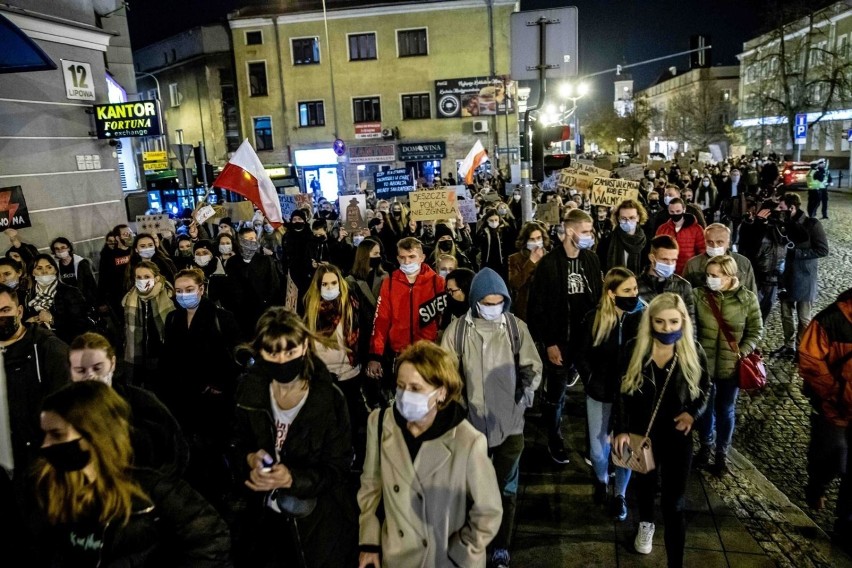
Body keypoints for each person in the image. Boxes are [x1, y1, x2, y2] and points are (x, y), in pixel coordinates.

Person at [31, 380, 232, 567]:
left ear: (95, 433)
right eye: (45, 434)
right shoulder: (50, 488)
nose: (46, 445)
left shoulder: (155, 490)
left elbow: (212, 541)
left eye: (57, 434)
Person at [357, 341, 503, 568]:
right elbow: (371, 488)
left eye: (416, 388)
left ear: (441, 393)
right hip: (396, 555)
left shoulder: (468, 441)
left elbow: (488, 510)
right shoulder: (379, 424)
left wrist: (461, 551)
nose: (405, 395)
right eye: (400, 386)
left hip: (444, 560)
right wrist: (369, 543)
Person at [230, 307, 358, 567]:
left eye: (290, 352)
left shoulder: (329, 398)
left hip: (315, 527)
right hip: (263, 523)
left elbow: (339, 468)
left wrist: (293, 479)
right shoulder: (249, 392)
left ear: (305, 346)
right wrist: (250, 459)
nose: (281, 361)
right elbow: (235, 443)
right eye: (272, 353)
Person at [440, 268, 542, 567]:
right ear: (475, 301)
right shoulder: (457, 332)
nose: (493, 306)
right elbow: (446, 377)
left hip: (510, 427)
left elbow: (532, 369)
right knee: (473, 488)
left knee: (505, 489)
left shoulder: (515, 328)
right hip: (470, 428)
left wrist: (521, 402)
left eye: (499, 301)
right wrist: (458, 412)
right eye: (488, 301)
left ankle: (501, 544)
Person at [613, 293, 710, 566]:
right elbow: (620, 391)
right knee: (645, 486)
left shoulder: (693, 350)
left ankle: (675, 561)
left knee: (674, 502)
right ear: (650, 322)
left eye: (673, 322)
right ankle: (645, 523)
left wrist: (693, 413)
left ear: (683, 322)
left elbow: (705, 388)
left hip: (678, 437)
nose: (667, 328)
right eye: (660, 322)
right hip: (643, 433)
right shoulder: (634, 349)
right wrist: (620, 428)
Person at [157, 268, 241, 508]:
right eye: (179, 291)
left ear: (201, 290)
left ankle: (224, 491)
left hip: (214, 398)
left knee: (216, 447)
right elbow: (169, 359)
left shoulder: (221, 318)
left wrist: (219, 387)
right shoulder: (174, 319)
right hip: (184, 397)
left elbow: (233, 357)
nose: (184, 295)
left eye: (189, 290)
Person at [528, 209, 602, 465]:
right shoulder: (549, 265)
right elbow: (537, 308)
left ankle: (593, 445)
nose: (589, 236)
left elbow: (599, 298)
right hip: (560, 342)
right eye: (585, 232)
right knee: (556, 395)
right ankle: (555, 437)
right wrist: (549, 343)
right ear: (570, 232)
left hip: (587, 343)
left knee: (593, 393)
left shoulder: (591, 260)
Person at [0, 283, 70, 553]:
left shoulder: (47, 350)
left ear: (19, 310)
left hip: (40, 468)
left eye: (5, 310)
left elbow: (67, 409)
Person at [576, 267, 644, 522]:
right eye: (627, 290)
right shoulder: (594, 318)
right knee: (597, 451)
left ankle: (620, 495)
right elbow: (581, 354)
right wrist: (591, 380)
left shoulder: (642, 317)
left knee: (626, 448)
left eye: (635, 289)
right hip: (600, 392)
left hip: (630, 393)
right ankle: (602, 479)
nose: (634, 295)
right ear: (612, 294)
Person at [69, 331, 189, 476]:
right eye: (81, 370)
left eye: (97, 367)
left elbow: (174, 454)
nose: (90, 376)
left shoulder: (144, 406)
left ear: (112, 364)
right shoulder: (64, 414)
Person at [693, 255, 763, 475]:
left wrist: (741, 352)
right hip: (703, 366)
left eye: (716, 276)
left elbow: (756, 331)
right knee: (703, 410)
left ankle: (722, 453)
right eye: (708, 275)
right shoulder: (699, 296)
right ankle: (706, 445)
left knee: (726, 410)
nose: (710, 279)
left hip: (730, 367)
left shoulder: (747, 299)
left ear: (730, 276)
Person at [303, 263, 371, 470]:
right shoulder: (308, 309)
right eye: (325, 284)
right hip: (321, 377)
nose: (330, 287)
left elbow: (364, 333)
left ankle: (356, 460)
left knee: (352, 421)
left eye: (334, 283)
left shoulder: (352, 305)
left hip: (349, 374)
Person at [799, 288, 852, 547]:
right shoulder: (830, 319)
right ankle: (817, 486)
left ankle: (845, 524)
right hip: (833, 410)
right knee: (828, 457)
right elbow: (810, 361)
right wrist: (834, 393)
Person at [366, 237, 446, 391]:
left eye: (411, 257)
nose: (407, 262)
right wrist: (375, 355)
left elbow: (444, 319)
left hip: (429, 353)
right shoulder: (389, 284)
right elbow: (381, 320)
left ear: (422, 258)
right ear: (397, 258)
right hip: (400, 354)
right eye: (402, 258)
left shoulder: (437, 283)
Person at [772, 193, 829, 360]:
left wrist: (797, 253)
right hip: (785, 275)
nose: (778, 210)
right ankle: (789, 346)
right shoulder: (781, 224)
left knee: (804, 317)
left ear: (792, 208)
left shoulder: (812, 224)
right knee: (786, 314)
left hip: (804, 276)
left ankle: (802, 348)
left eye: (781, 207)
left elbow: (823, 250)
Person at [121, 261, 175, 388]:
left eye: (146, 277)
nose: (142, 280)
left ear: (156, 278)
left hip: (161, 354)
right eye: (138, 277)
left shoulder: (169, 296)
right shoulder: (130, 298)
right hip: (139, 355)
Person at [225, 226, 283, 336]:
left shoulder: (265, 260)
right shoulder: (232, 263)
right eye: (249, 239)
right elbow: (231, 288)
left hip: (263, 312)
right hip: (242, 314)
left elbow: (274, 286)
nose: (253, 241)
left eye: (254, 238)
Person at [24, 254, 91, 344]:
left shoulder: (70, 292)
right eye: (39, 268)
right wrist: (28, 322)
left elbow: (81, 323)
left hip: (68, 343)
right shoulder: (28, 296)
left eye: (49, 267)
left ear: (55, 270)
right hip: (42, 345)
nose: (45, 271)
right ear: (32, 272)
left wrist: (52, 320)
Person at [637, 236, 697, 330]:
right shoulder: (636, 286)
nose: (670, 264)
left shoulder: (683, 286)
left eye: (673, 260)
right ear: (652, 258)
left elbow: (690, 324)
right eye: (665, 259)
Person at [682, 223, 758, 295]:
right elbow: (685, 294)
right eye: (710, 242)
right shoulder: (693, 264)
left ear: (728, 243)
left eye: (720, 242)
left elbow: (751, 293)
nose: (714, 246)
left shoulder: (743, 263)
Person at [507, 221, 548, 322]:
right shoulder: (515, 258)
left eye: (538, 238)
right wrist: (531, 262)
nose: (536, 242)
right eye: (532, 239)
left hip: (546, 306)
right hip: (526, 307)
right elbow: (515, 283)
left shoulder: (550, 257)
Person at [655, 198, 705, 275]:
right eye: (672, 212)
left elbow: (702, 251)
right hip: (667, 270)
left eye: (678, 211)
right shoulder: (662, 228)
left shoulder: (696, 229)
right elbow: (656, 249)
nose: (675, 214)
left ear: (684, 209)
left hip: (689, 271)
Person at [50, 237, 97, 309]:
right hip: (68, 303)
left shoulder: (81, 263)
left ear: (68, 248)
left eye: (63, 247)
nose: (60, 251)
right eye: (57, 249)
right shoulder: (56, 266)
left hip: (85, 300)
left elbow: (91, 283)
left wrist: (98, 302)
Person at [606, 198, 649, 274]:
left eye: (632, 218)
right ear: (618, 218)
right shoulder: (608, 240)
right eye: (623, 218)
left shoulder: (646, 242)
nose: (627, 221)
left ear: (638, 218)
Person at [476, 207, 511, 281]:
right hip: (487, 263)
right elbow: (477, 245)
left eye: (496, 220)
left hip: (502, 264)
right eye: (491, 220)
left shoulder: (505, 230)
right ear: (487, 221)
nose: (494, 222)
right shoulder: (483, 232)